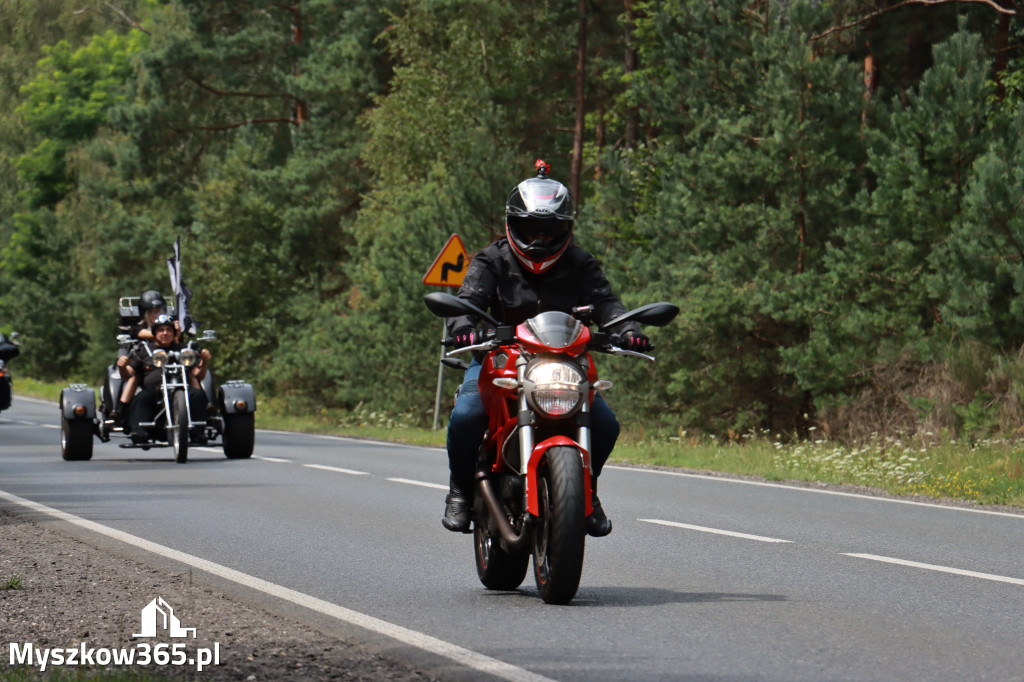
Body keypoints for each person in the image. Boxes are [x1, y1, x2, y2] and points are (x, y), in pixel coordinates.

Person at [442, 160, 651, 537]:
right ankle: (458, 491)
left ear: (566, 229)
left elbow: (607, 303)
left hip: (565, 361)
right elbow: (468, 301)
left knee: (604, 424)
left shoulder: (580, 262)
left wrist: (628, 329)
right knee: (468, 414)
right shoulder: (492, 259)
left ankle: (585, 491)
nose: (539, 240)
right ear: (512, 223)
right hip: (499, 357)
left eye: (549, 230)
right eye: (530, 228)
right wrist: (463, 331)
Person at [124, 314, 211, 445]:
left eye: (168, 330)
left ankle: (197, 432)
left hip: (181, 389)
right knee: (141, 398)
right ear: (154, 333)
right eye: (161, 330)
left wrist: (204, 361)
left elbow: (198, 374)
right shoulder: (145, 350)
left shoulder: (183, 349)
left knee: (197, 395)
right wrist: (121, 366)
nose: (165, 333)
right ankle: (139, 432)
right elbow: (128, 373)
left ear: (174, 333)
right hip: (155, 392)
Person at [110, 290, 178, 423]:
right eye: (152, 311)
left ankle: (206, 405)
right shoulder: (139, 328)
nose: (156, 314)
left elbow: (177, 342)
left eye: (159, 310)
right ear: (146, 314)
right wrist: (169, 331)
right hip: (144, 358)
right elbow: (151, 335)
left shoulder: (171, 326)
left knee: (192, 368)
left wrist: (178, 330)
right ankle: (120, 408)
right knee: (136, 373)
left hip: (171, 356)